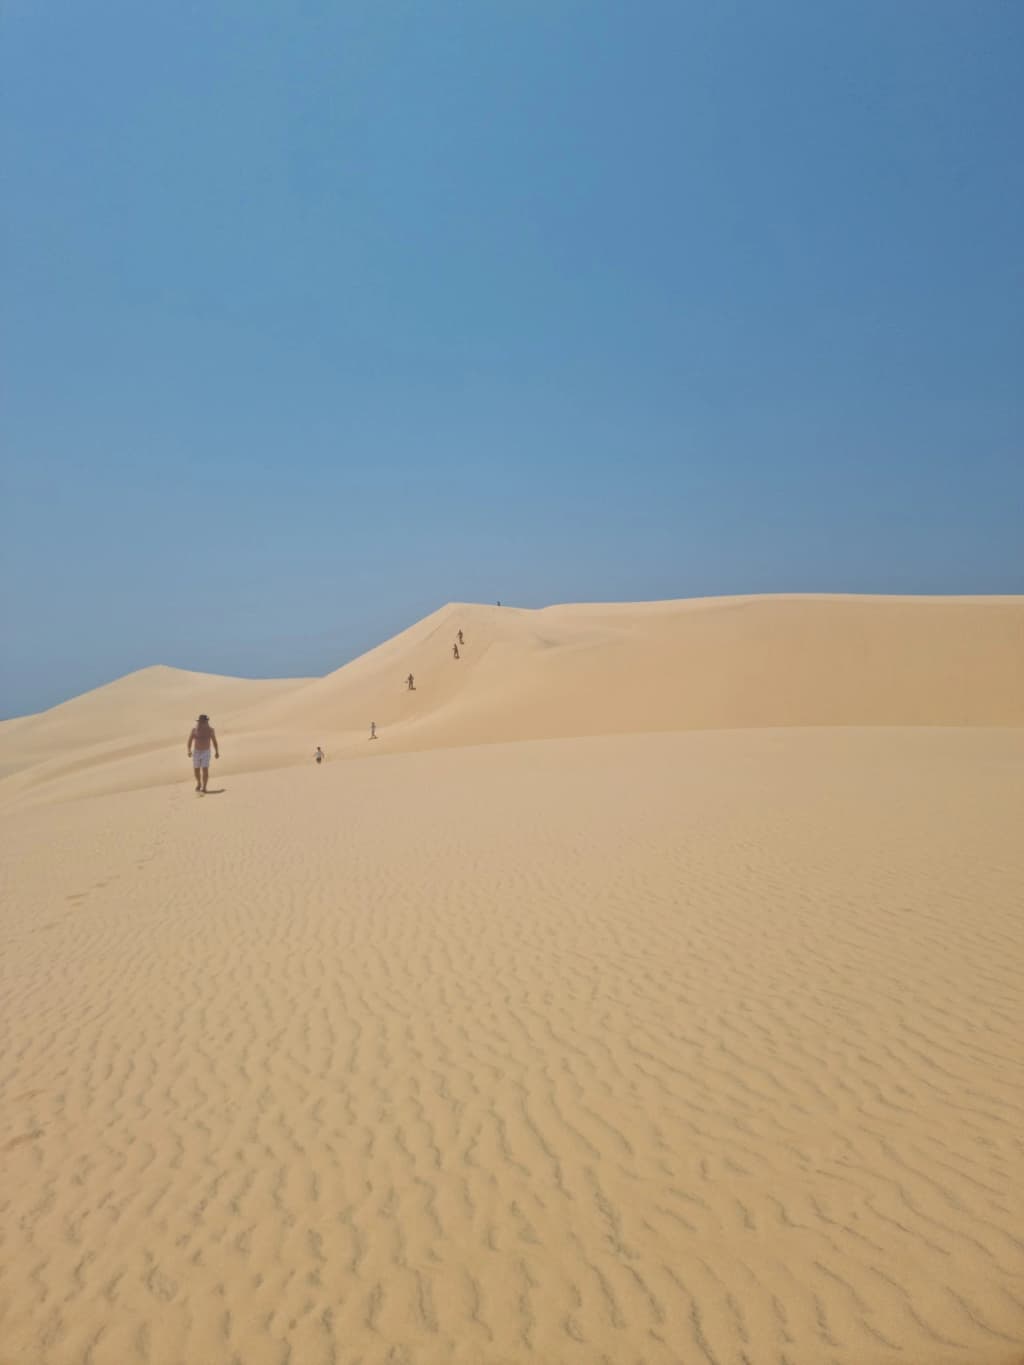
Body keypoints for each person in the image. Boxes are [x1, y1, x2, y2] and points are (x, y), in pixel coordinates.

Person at [187, 714, 219, 792]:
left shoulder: (210, 730)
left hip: (206, 752)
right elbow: (189, 741)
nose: (201, 723)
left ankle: (204, 787)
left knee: (205, 769)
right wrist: (189, 750)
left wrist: (217, 751)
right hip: (196, 752)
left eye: (203, 721)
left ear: (206, 721)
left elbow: (214, 741)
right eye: (200, 721)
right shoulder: (194, 730)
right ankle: (199, 783)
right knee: (196, 769)